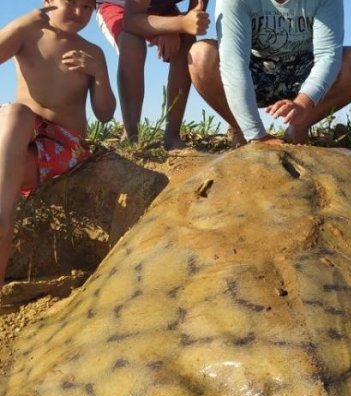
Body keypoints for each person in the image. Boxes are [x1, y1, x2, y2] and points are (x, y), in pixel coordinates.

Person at [0, 0, 116, 288]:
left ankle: (2, 216)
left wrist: (99, 73)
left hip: (63, 144)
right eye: (72, 3)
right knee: (16, 112)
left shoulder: (92, 52)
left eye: (88, 6)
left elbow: (105, 113)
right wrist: (19, 24)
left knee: (7, 179)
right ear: (48, 1)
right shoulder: (28, 33)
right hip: (21, 133)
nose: (79, 13)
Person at [188, 0, 351, 146]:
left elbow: (328, 55)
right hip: (255, 72)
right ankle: (240, 129)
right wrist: (256, 134)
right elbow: (233, 64)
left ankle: (299, 125)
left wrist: (303, 102)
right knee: (200, 55)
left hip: (302, 73)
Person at [96, 0, 209, 149]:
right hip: (119, 6)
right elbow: (131, 21)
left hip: (160, 7)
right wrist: (179, 24)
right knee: (132, 42)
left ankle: (172, 135)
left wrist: (179, 27)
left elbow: (193, 17)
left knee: (186, 40)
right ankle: (131, 135)